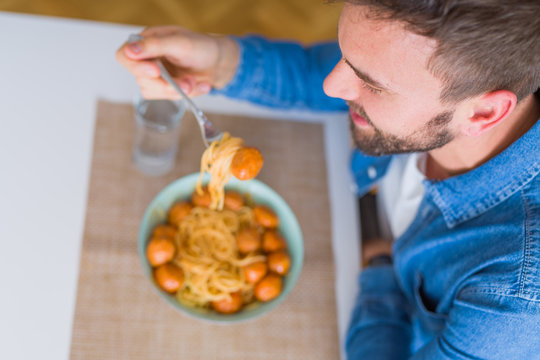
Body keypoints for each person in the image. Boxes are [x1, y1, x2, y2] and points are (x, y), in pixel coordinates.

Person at [117, 0, 540, 358]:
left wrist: (378, 269)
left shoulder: (515, 296)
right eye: (344, 55)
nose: (331, 85)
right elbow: (320, 71)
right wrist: (221, 62)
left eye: (372, 84)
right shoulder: (442, 72)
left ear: (484, 113)